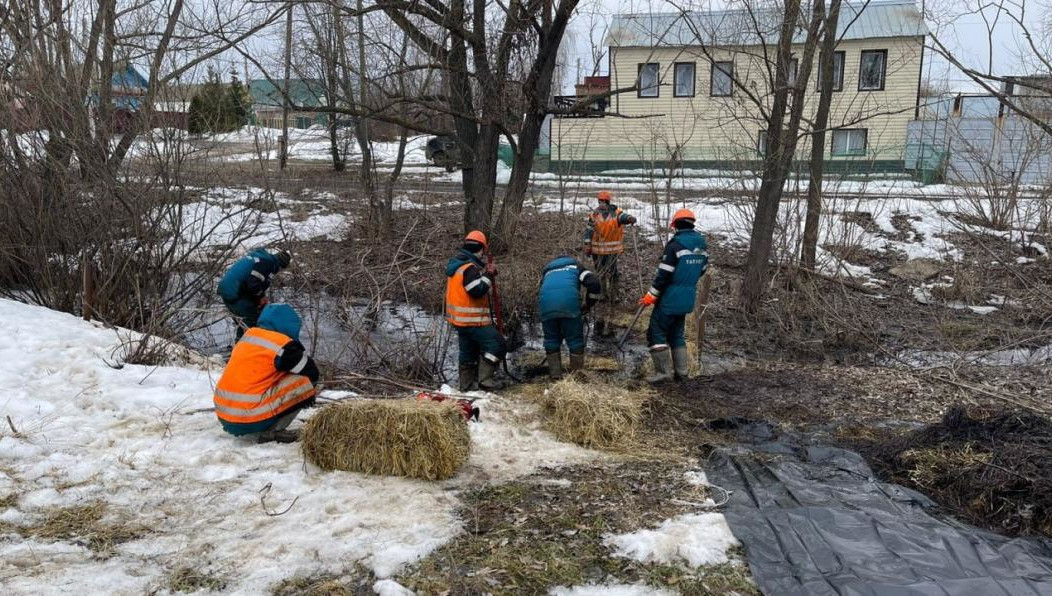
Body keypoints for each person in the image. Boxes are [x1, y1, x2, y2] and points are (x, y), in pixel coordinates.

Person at [213, 303, 319, 443]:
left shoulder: (248, 335)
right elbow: (311, 371)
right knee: (304, 382)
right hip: (249, 419)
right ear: (289, 325)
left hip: (224, 414)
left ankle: (262, 422)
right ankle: (273, 431)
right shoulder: (282, 345)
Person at [638, 209, 708, 384]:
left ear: (675, 225)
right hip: (687, 298)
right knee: (677, 334)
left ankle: (663, 374)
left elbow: (664, 275)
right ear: (692, 223)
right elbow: (703, 270)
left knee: (656, 333)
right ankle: (682, 373)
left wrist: (650, 295)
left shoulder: (675, 245)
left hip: (669, 298)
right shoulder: (701, 244)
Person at [445, 230, 506, 391]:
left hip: (459, 321)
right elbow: (477, 290)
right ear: (481, 249)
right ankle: (485, 381)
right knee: (497, 345)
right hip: (472, 321)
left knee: (468, 351)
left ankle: (466, 385)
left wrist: (485, 273)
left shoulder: (457, 265)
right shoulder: (469, 268)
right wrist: (488, 274)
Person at [538, 255, 602, 379]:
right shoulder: (575, 266)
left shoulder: (547, 272)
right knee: (574, 340)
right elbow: (594, 282)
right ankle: (576, 377)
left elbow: (545, 290)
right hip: (569, 304)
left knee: (551, 340)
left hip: (545, 306)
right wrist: (589, 304)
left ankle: (555, 376)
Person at [583, 190, 637, 336]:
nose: (600, 204)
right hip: (598, 251)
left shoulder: (617, 213)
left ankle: (614, 295)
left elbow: (624, 217)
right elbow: (588, 231)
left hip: (612, 251)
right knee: (600, 274)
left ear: (607, 202)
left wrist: (630, 218)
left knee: (613, 273)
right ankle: (602, 294)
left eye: (602, 202)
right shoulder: (594, 215)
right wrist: (587, 245)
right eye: (599, 202)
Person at [217, 248, 292, 340]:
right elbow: (253, 284)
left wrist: (260, 297)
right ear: (281, 265)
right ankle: (248, 350)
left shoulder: (261, 258)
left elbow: (253, 283)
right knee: (251, 324)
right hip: (236, 293)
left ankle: (238, 348)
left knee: (242, 324)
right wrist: (260, 297)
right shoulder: (268, 263)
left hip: (227, 291)